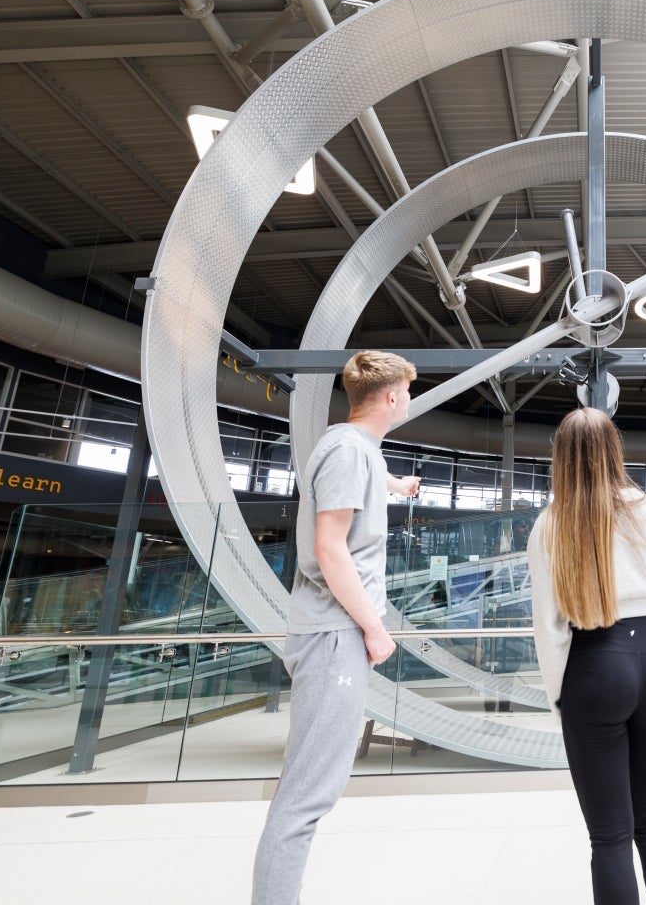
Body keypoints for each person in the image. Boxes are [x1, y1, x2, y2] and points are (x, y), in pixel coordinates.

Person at [252, 350, 420, 905]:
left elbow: (367, 482)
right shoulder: (348, 451)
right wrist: (374, 628)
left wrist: (400, 488)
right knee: (307, 794)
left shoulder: (358, 450)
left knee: (313, 788)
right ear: (392, 396)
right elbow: (330, 548)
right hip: (334, 634)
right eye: (409, 392)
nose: (411, 400)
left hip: (331, 632)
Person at [529, 408, 646, 905]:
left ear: (562, 458)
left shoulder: (552, 522)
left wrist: (560, 695)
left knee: (610, 835)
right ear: (613, 451)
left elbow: (550, 623)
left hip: (595, 661)